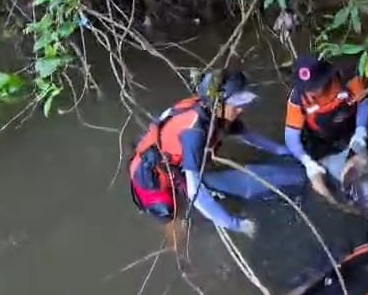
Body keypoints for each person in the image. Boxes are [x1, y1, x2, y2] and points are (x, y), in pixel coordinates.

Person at [128, 68, 303, 245]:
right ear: (218, 104)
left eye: (244, 101)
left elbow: (250, 138)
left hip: (176, 162)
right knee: (173, 219)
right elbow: (196, 193)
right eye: (237, 103)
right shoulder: (194, 132)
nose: (242, 109)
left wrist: (287, 152)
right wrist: (235, 224)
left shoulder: (217, 114)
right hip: (149, 177)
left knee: (205, 175)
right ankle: (177, 251)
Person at [283, 54, 368, 206]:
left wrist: (361, 131)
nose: (313, 92)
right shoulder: (298, 98)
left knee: (363, 170)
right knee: (320, 181)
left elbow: (364, 105)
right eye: (308, 88)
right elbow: (291, 136)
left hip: (350, 129)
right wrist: (307, 161)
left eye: (316, 86)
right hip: (320, 138)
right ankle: (337, 205)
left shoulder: (347, 79)